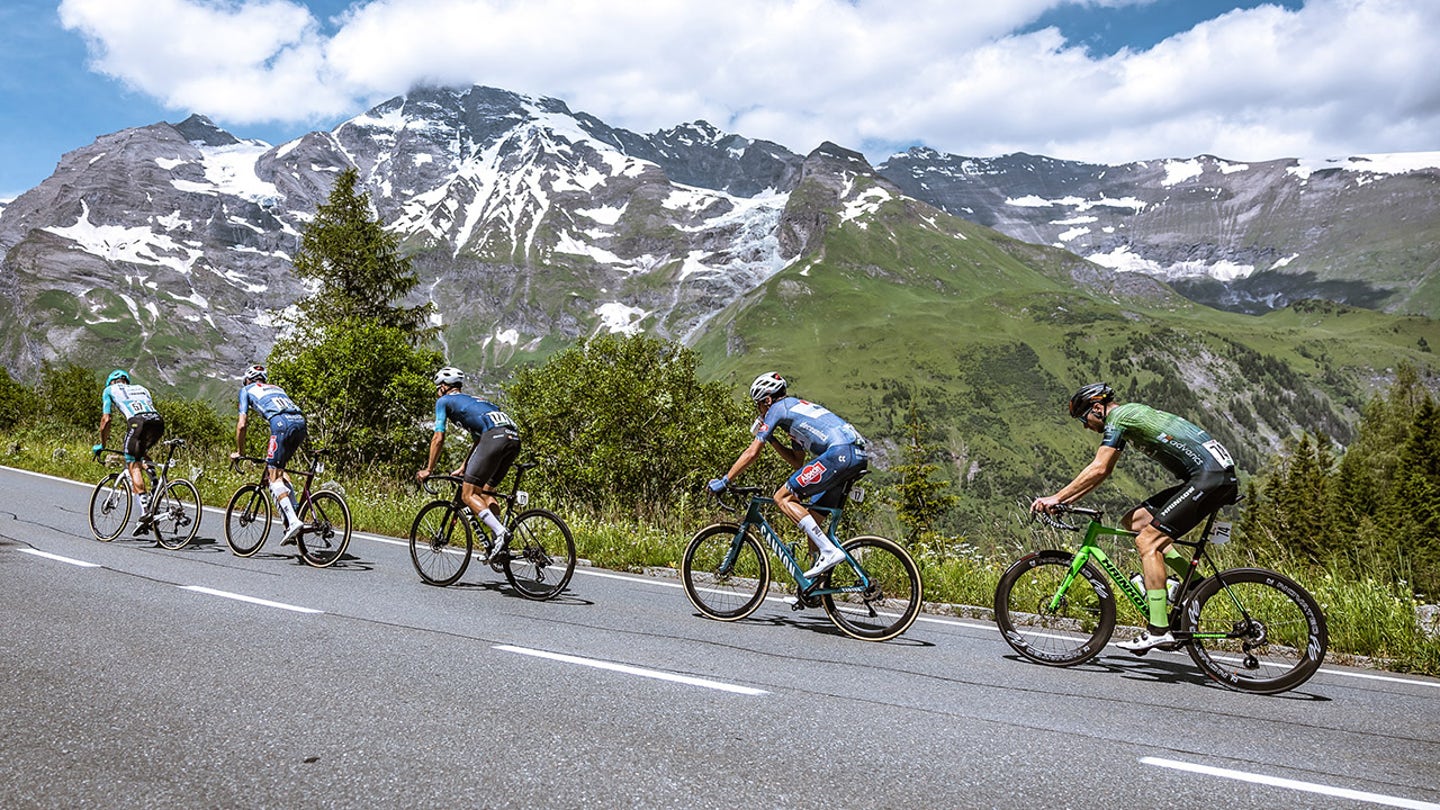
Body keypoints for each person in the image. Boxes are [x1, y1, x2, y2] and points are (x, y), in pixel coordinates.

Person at [1033, 382, 1239, 653]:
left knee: (1148, 543)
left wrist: (1057, 498)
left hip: (1210, 479)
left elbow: (1099, 467)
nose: (1086, 426)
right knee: (1135, 522)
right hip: (1211, 476)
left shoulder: (1119, 418)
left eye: (1085, 419)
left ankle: (1158, 630)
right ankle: (1196, 585)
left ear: (1098, 408)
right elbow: (1103, 473)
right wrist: (1068, 500)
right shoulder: (1129, 415)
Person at [709, 372, 869, 580]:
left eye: (759, 405)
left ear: (767, 400)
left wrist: (725, 480)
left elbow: (752, 453)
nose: (760, 411)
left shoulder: (777, 408)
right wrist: (773, 438)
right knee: (813, 521)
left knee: (781, 497)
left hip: (839, 453)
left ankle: (829, 553)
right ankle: (814, 589)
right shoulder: (794, 412)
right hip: (854, 454)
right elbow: (796, 461)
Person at [416, 367, 521, 558]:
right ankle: (498, 544)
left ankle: (500, 533)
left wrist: (428, 469)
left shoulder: (444, 401)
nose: (437, 392)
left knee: (468, 494)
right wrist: (464, 466)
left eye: (438, 387)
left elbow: (438, 437)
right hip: (513, 439)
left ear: (443, 387)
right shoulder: (477, 402)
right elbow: (479, 441)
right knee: (488, 490)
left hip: (494, 438)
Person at [230, 365, 308, 545]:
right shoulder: (277, 388)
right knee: (280, 471)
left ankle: (294, 521)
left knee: (273, 477)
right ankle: (293, 514)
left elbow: (242, 425)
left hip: (281, 425)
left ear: (248, 380)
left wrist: (240, 452)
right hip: (300, 424)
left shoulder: (246, 390)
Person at [94, 369, 165, 536]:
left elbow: (106, 419)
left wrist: (102, 444)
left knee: (132, 464)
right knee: (142, 456)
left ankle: (146, 510)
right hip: (157, 422)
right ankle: (156, 486)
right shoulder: (142, 388)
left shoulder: (109, 390)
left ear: (111, 382)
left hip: (137, 423)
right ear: (126, 380)